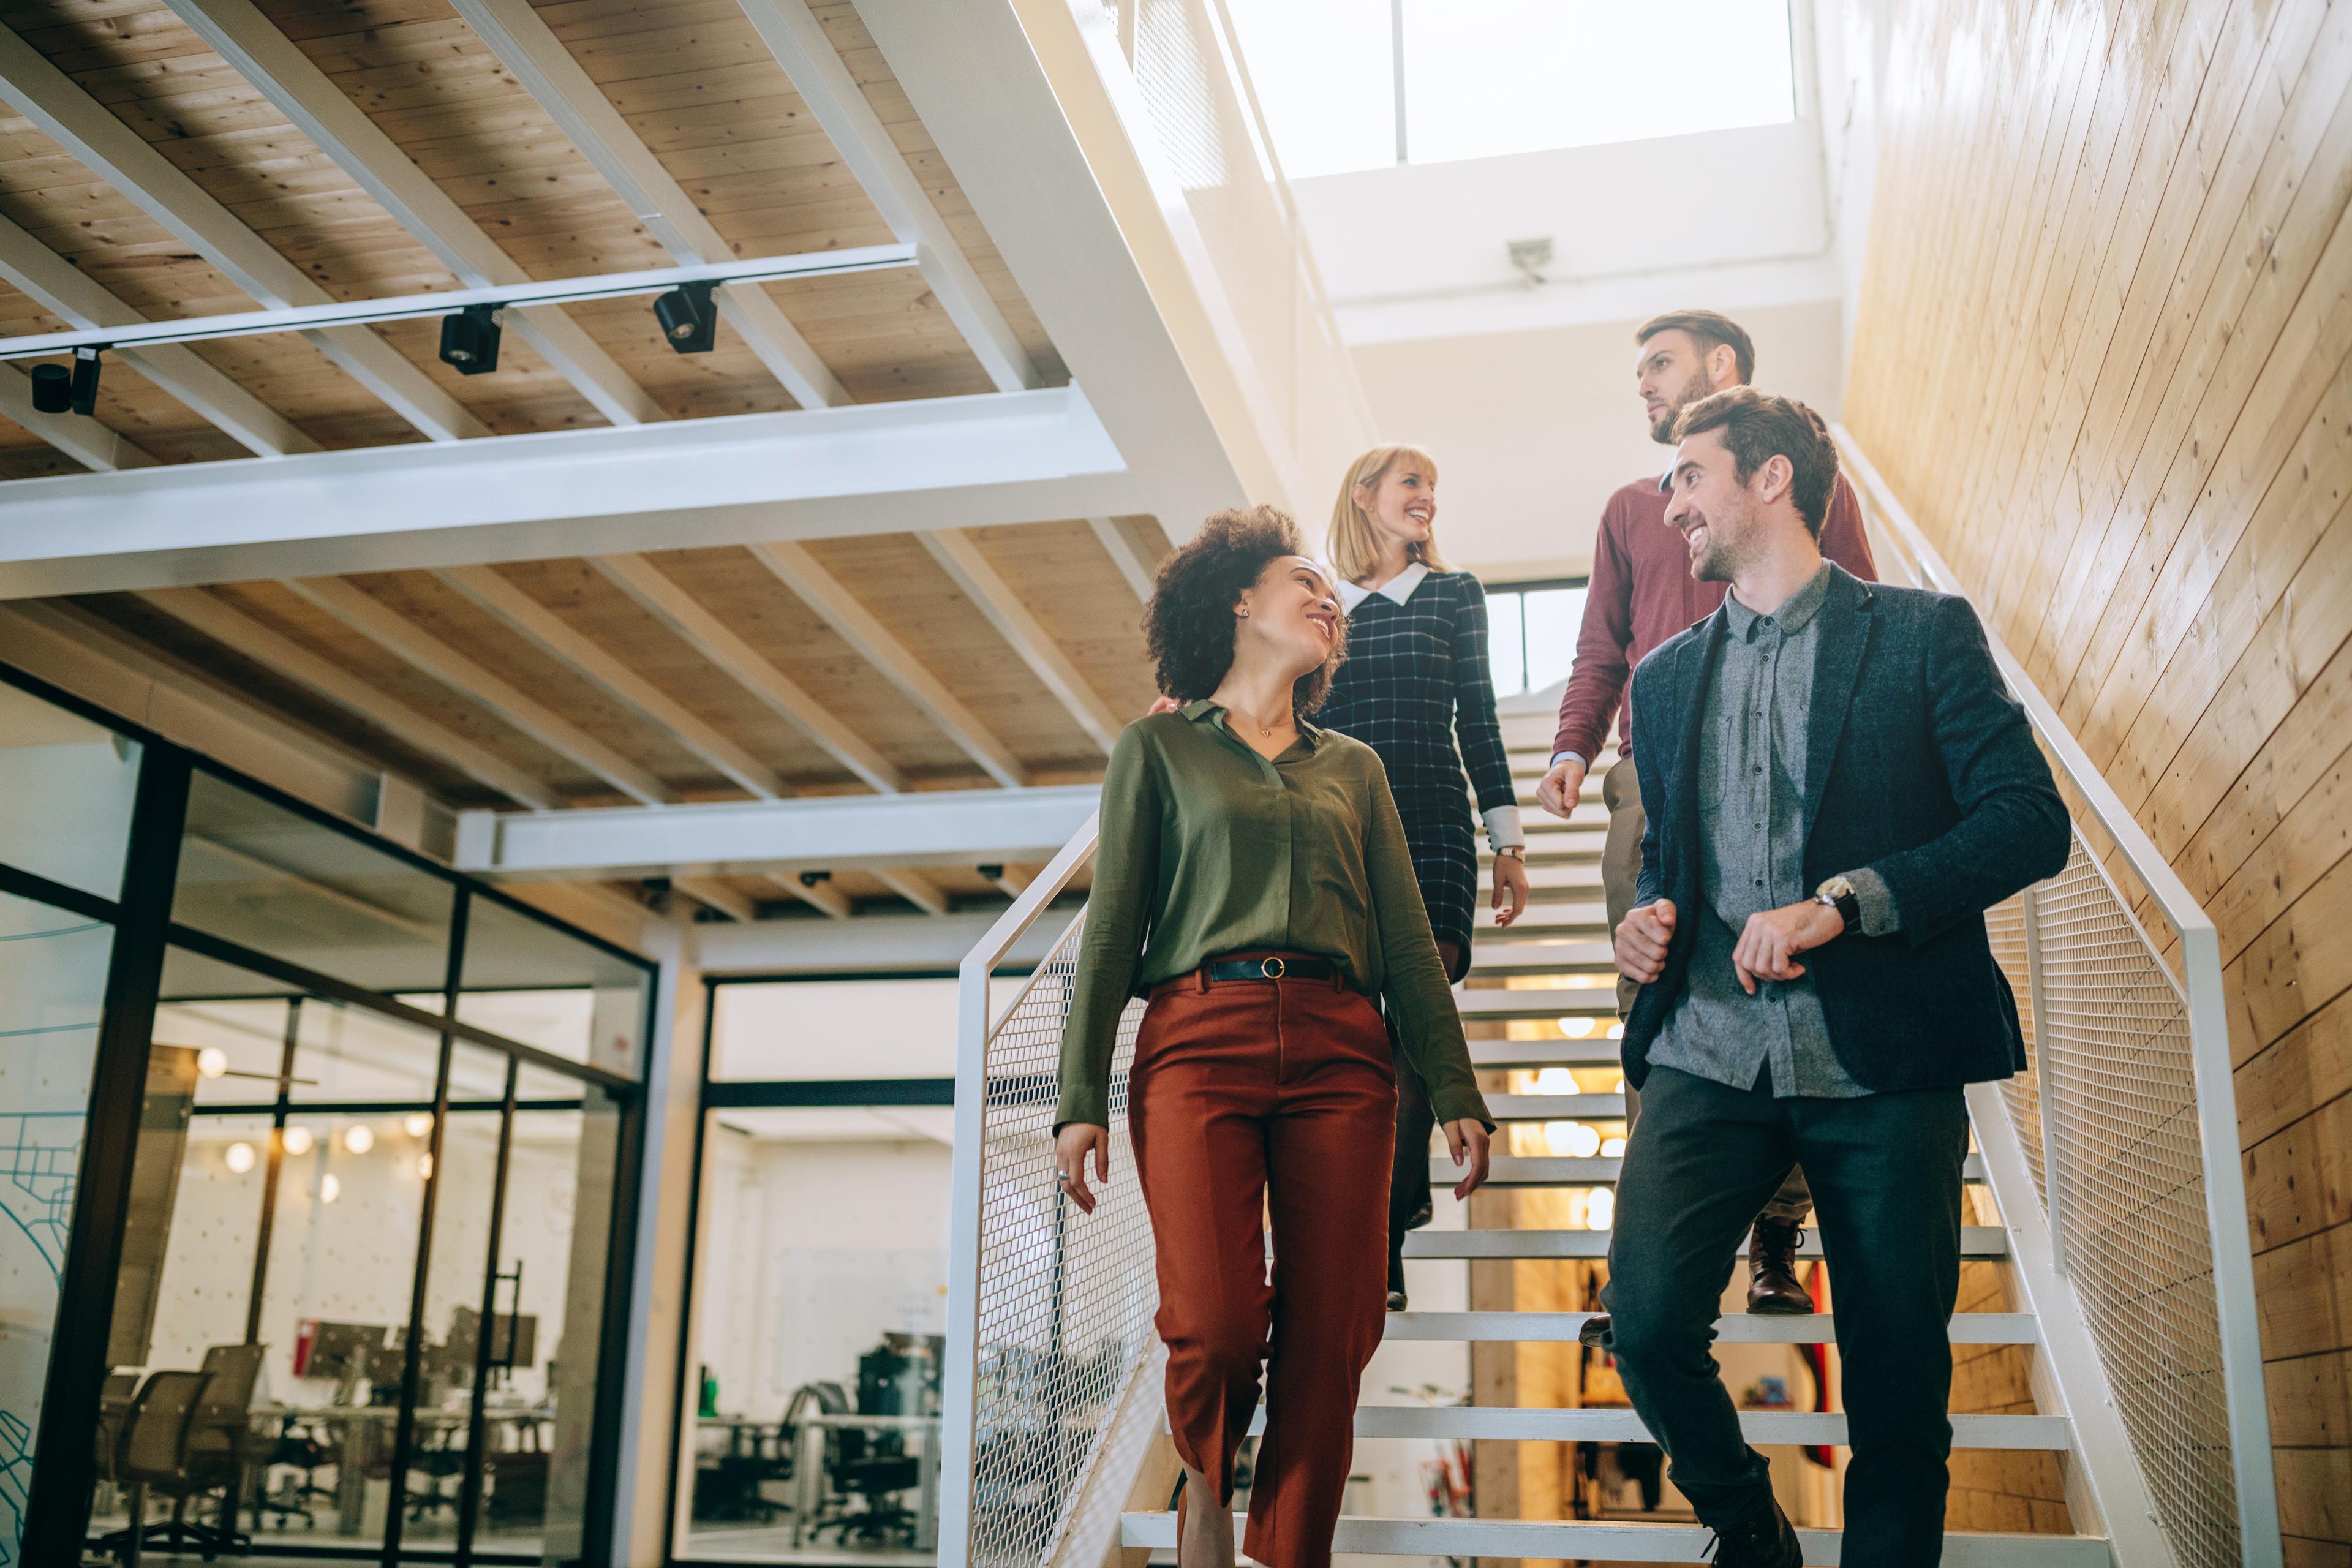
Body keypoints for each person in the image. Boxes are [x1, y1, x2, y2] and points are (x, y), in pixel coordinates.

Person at [1601, 388, 2068, 1567]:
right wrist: (1647, 925)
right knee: (1650, 1325)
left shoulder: (1922, 633)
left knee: (1899, 1382)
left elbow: (2027, 823)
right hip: (1707, 1047)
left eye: (1689, 478)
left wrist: (1845, 904)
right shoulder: (1657, 683)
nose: (1671, 506)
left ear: (1769, 481)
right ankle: (1752, 1534)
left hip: (1889, 1053)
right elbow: (1671, 867)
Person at [1053, 507, 1494, 1568]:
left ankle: (1287, 1552)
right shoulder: (1157, 747)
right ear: (1240, 601)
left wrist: (1458, 1085)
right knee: (1214, 1325)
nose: (1328, 600)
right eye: (1306, 580)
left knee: (1334, 1333)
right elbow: (1112, 931)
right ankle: (1207, 1486)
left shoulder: (1356, 768)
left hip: (1346, 1055)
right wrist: (1077, 1101)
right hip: (1198, 1044)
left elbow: (1406, 941)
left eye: (1331, 595)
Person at [1536, 309, 1879, 1315]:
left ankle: (1776, 1239)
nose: (1642, 384)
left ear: (1720, 367)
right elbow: (1602, 645)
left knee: (1792, 995)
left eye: (1660, 365)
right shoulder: (1631, 511)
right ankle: (1643, 1253)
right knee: (1653, 1003)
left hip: (1798, 775)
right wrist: (1571, 743)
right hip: (1655, 781)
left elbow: (1858, 609)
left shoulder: (1810, 488)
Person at [1314, 444, 1528, 1312]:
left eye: (1433, 488)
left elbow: (1477, 715)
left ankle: (1384, 1239)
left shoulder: (1453, 594)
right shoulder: (1321, 606)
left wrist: (1507, 840)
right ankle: (1371, 1225)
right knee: (1357, 1040)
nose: (1427, 499)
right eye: (1412, 484)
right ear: (1364, 496)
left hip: (1435, 829)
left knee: (1406, 1036)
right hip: (1338, 834)